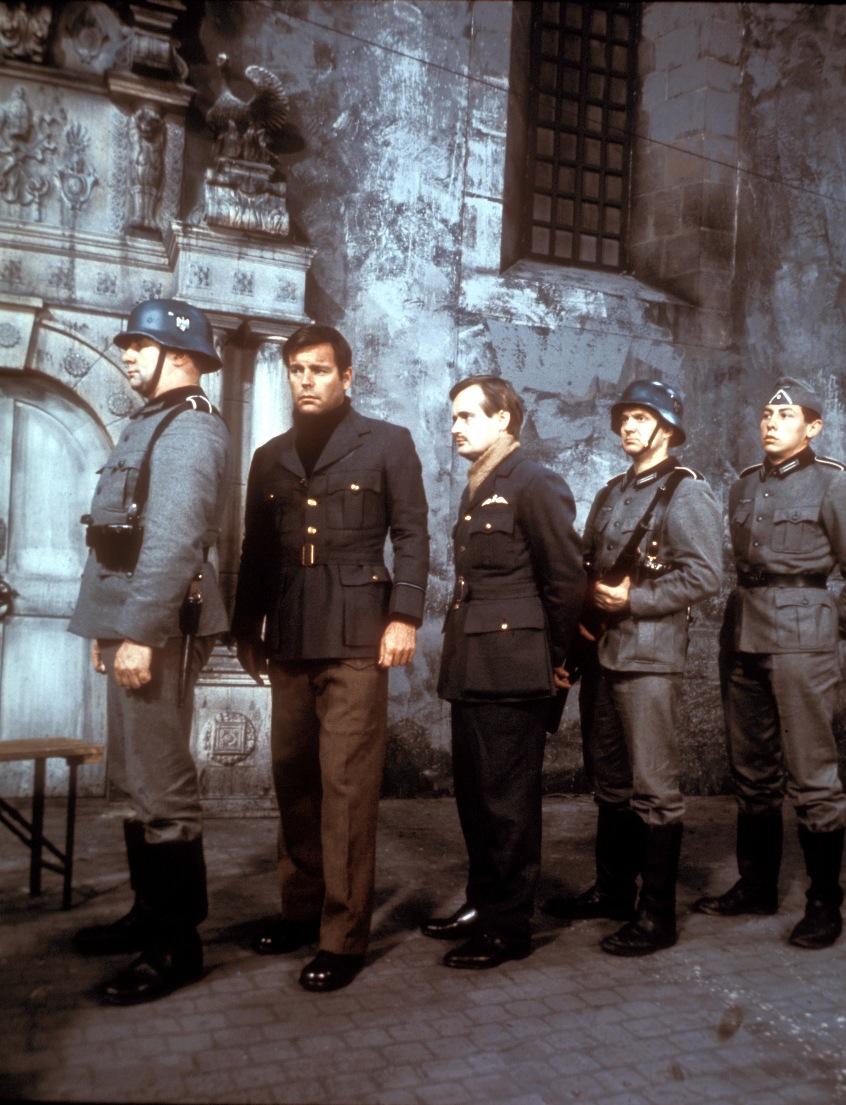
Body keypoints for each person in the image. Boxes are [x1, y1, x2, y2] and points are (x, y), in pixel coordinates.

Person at [231, 323, 428, 992]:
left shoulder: (387, 443)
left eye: (318, 370)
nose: (306, 381)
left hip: (356, 635)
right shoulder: (270, 456)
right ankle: (299, 910)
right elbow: (257, 549)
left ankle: (343, 936)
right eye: (296, 370)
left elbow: (412, 534)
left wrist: (404, 616)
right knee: (293, 775)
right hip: (289, 631)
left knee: (345, 784)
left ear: (347, 376)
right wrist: (246, 627)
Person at [69, 298, 229, 1004]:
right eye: (129, 344)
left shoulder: (191, 427)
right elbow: (115, 535)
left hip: (156, 627)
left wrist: (138, 632)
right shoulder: (152, 422)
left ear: (182, 356)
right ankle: (147, 915)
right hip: (129, 621)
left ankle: (176, 945)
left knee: (161, 785)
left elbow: (172, 540)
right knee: (136, 778)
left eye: (141, 344)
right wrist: (108, 630)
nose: (128, 354)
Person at [545, 379, 722, 956]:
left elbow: (704, 575)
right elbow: (588, 566)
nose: (627, 426)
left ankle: (657, 916)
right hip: (602, 655)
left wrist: (636, 600)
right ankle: (614, 892)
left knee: (654, 787)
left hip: (649, 658)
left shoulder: (686, 493)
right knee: (611, 782)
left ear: (666, 429)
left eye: (641, 418)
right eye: (624, 417)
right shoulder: (612, 491)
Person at [421, 375, 584, 969]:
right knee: (475, 796)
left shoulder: (534, 483)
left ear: (502, 421)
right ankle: (483, 902)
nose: (455, 426)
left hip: (514, 670)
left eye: (467, 416)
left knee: (507, 803)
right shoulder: (481, 483)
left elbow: (566, 582)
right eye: (453, 416)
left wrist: (556, 661)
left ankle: (508, 927)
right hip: (474, 666)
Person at [693, 377, 846, 949]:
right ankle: (756, 886)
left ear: (813, 427)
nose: (771, 423)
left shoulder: (832, 482)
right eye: (766, 415)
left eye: (785, 416)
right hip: (743, 631)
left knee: (812, 774)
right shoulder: (744, 484)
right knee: (752, 770)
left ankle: (825, 904)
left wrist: (828, 625)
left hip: (803, 636)